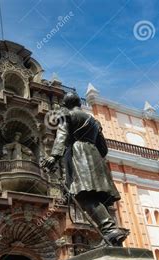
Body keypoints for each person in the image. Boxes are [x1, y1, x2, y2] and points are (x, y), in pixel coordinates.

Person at [40, 92, 128, 247]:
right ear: (79, 103)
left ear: (65, 104)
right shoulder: (94, 121)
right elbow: (103, 148)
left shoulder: (66, 114)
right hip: (95, 157)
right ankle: (110, 234)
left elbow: (62, 135)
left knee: (84, 195)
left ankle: (109, 229)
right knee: (98, 196)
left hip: (78, 155)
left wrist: (54, 156)